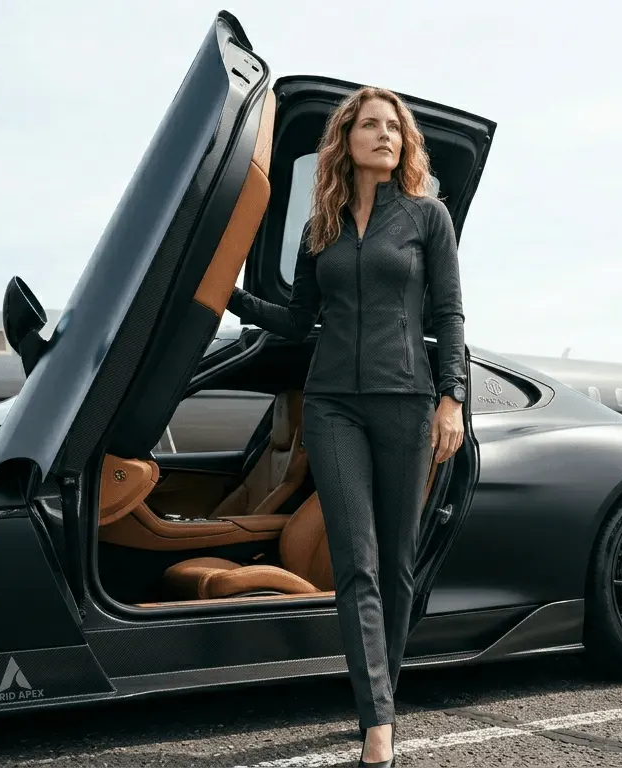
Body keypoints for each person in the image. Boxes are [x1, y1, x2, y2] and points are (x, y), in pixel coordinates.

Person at [226, 85, 468, 767]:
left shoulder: (427, 218)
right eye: (371, 125)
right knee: (356, 564)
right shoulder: (319, 229)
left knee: (396, 565)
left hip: (406, 402)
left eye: (395, 127)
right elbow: (299, 320)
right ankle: (378, 724)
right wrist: (229, 294)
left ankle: (379, 701)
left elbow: (448, 314)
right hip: (331, 403)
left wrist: (451, 397)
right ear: (347, 140)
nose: (386, 134)